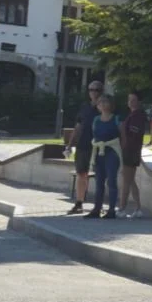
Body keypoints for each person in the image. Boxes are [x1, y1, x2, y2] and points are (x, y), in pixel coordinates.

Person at [68, 78, 104, 214]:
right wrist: (70, 144)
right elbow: (77, 127)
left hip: (99, 146)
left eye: (97, 90)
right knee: (81, 173)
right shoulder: (84, 107)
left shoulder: (104, 108)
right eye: (91, 90)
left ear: (101, 92)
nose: (93, 93)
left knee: (100, 175)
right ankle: (79, 203)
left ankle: (98, 205)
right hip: (83, 144)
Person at [86, 91, 123, 218]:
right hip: (98, 152)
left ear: (111, 104)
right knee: (99, 181)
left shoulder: (116, 119)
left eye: (105, 101)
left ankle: (112, 210)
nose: (102, 104)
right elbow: (94, 134)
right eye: (100, 101)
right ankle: (97, 208)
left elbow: (122, 135)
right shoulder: (96, 119)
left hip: (112, 151)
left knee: (111, 181)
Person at [119, 91, 150, 217]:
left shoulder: (137, 116)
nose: (130, 102)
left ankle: (122, 208)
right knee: (130, 180)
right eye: (129, 99)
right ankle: (138, 208)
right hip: (130, 150)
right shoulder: (133, 115)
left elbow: (132, 135)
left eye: (133, 100)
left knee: (127, 180)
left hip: (130, 151)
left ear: (139, 102)